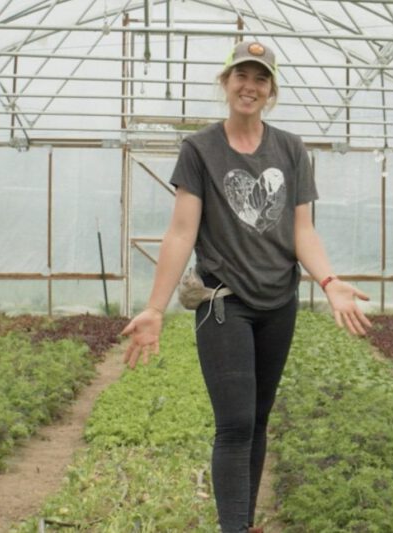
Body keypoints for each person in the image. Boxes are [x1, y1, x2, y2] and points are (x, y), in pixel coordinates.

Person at [121, 40, 371, 533]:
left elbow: (302, 228)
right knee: (234, 423)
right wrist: (154, 308)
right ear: (226, 83)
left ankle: (244, 522)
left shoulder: (291, 149)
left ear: (271, 90)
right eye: (241, 76)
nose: (249, 86)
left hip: (279, 301)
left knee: (257, 420)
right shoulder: (200, 150)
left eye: (260, 79)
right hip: (223, 301)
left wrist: (330, 280)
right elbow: (181, 230)